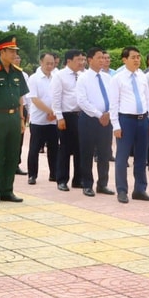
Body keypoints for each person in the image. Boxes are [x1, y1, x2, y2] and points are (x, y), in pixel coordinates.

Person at [0, 37, 29, 204]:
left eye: (16, 51)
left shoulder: (17, 72)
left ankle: (8, 190)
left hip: (14, 117)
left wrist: (22, 119)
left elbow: (21, 98)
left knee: (12, 155)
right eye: (12, 51)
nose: (15, 54)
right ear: (2, 52)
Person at [109, 46, 149, 203]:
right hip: (126, 120)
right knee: (122, 156)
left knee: (142, 157)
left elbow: (147, 100)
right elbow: (113, 104)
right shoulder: (117, 78)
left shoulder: (142, 76)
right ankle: (122, 190)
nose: (137, 60)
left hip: (143, 120)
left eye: (138, 57)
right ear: (124, 59)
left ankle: (140, 189)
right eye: (133, 57)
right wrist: (116, 125)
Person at [75, 47, 115, 196]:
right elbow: (82, 101)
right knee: (87, 153)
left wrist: (108, 114)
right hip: (89, 120)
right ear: (90, 60)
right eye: (99, 57)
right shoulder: (83, 78)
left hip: (106, 120)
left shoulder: (108, 78)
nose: (103, 60)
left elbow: (113, 98)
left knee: (105, 153)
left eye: (104, 58)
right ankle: (87, 184)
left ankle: (102, 184)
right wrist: (99, 115)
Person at [51, 49, 85, 191]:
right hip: (67, 116)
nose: (81, 62)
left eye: (82, 60)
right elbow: (56, 98)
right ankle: (62, 180)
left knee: (80, 150)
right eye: (78, 60)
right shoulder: (59, 76)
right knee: (65, 149)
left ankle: (78, 179)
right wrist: (59, 117)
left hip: (81, 115)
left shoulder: (83, 75)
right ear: (69, 61)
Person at [26, 52, 58, 185]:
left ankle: (54, 174)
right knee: (34, 148)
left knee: (54, 148)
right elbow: (34, 99)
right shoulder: (34, 78)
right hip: (39, 120)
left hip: (53, 120)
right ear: (41, 62)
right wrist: (49, 111)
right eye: (47, 63)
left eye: (52, 63)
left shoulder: (56, 77)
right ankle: (32, 175)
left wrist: (55, 113)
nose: (50, 66)